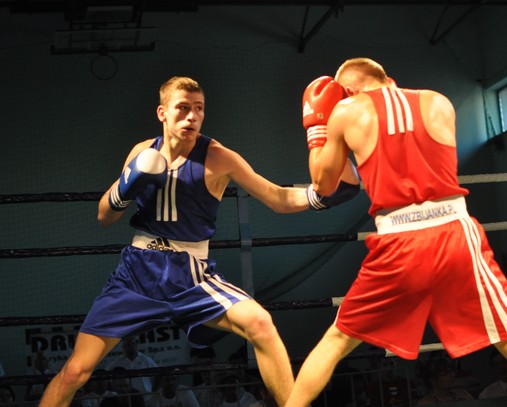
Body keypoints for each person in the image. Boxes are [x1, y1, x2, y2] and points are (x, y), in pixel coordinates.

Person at [39, 76, 360, 407]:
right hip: (136, 275)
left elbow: (278, 198)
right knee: (75, 372)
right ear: (162, 113)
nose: (192, 116)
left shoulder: (218, 157)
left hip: (190, 275)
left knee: (260, 323)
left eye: (199, 109)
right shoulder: (142, 152)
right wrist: (124, 189)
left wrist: (321, 197)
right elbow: (104, 216)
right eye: (182, 108)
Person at [283, 58, 507, 407]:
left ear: (349, 91)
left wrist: (317, 130)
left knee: (336, 342)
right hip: (456, 231)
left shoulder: (347, 110)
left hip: (398, 241)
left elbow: (324, 185)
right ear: (386, 78)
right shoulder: (438, 101)